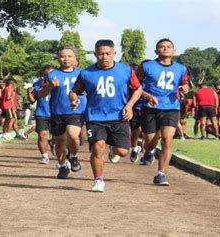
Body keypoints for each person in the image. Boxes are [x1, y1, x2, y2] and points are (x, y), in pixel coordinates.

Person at [70, 40, 142, 192]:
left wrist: (129, 106)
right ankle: (98, 179)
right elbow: (74, 91)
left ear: (114, 53)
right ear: (95, 54)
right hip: (95, 117)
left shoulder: (126, 70)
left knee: (123, 152)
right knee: (97, 147)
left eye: (108, 54)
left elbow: (138, 90)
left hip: (119, 116)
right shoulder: (86, 73)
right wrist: (74, 99)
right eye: (101, 54)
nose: (104, 57)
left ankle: (113, 150)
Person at [136, 39, 189, 186]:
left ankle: (161, 174)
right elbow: (135, 86)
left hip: (171, 108)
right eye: (161, 47)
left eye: (168, 47)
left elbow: (185, 83)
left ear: (174, 50)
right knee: (150, 142)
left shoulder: (181, 68)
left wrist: (185, 88)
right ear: (156, 51)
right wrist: (147, 96)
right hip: (150, 108)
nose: (165, 49)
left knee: (167, 139)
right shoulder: (146, 66)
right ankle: (148, 151)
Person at [39, 45, 86, 180]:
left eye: (69, 56)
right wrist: (50, 86)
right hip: (57, 112)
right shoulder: (51, 75)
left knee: (73, 135)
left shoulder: (82, 73)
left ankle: (74, 156)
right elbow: (41, 94)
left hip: (76, 111)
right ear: (58, 58)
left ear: (75, 58)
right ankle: (62, 166)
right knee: (60, 142)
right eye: (62, 56)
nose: (66, 59)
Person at [29, 65, 54, 164]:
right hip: (42, 113)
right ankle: (44, 156)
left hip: (55, 113)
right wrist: (29, 94)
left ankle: (53, 142)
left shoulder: (58, 83)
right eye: (46, 74)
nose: (48, 76)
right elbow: (32, 101)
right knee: (42, 135)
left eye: (50, 74)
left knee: (58, 137)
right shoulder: (37, 84)